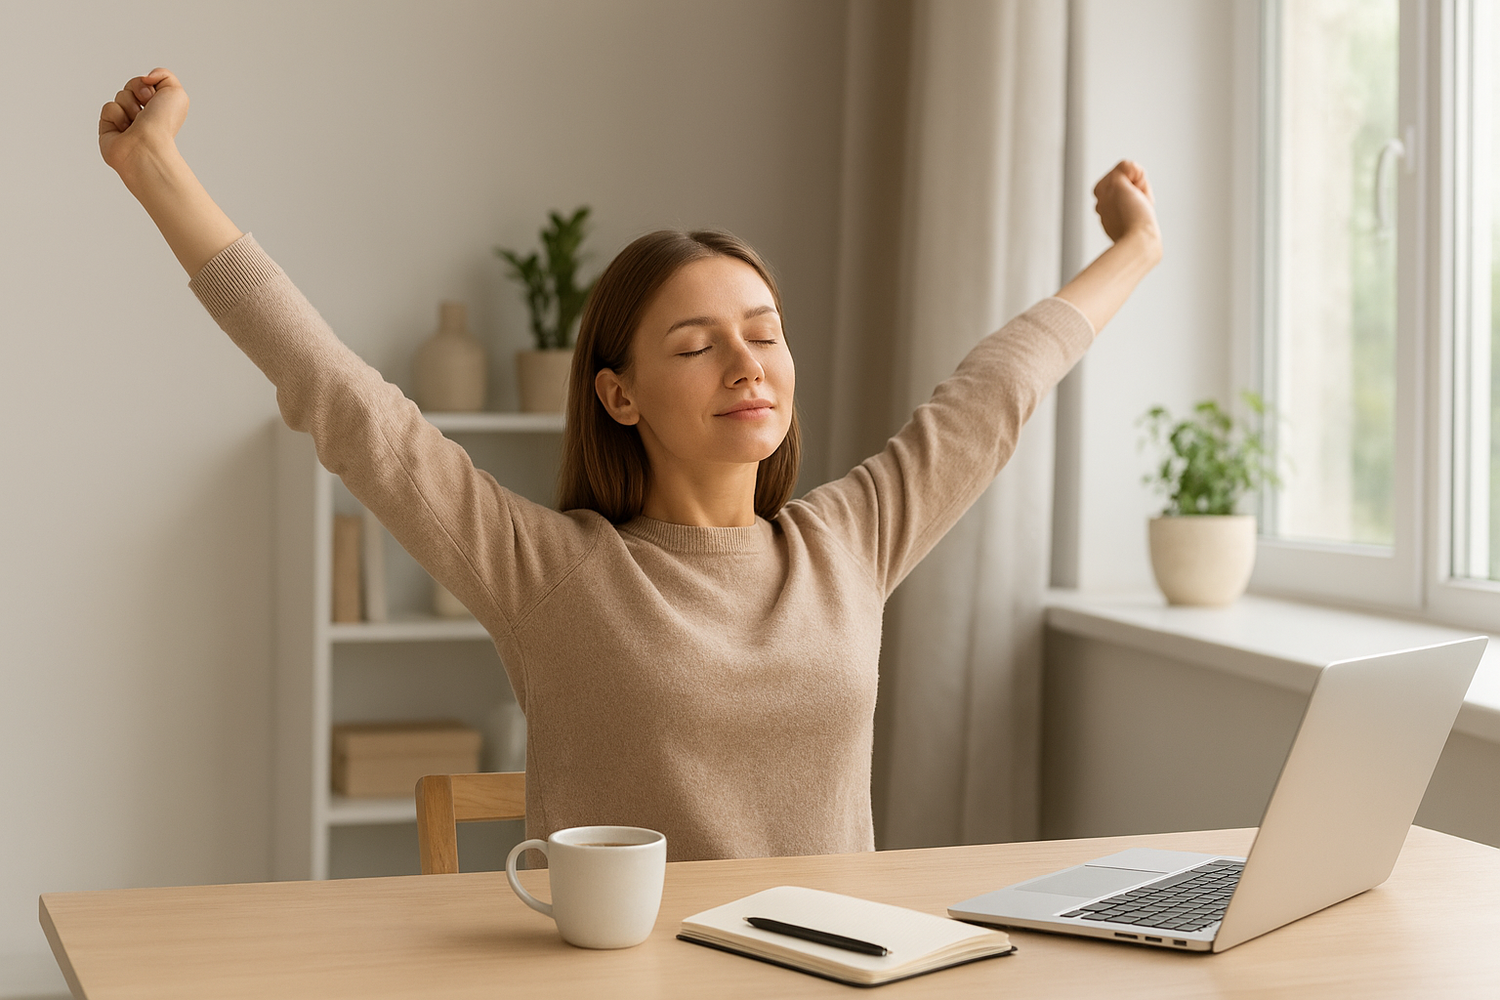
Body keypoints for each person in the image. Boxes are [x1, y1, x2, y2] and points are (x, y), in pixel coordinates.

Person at [99, 68, 1162, 863]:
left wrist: (1134, 251)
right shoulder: (554, 573)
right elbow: (344, 401)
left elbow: (997, 390)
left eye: (766, 331)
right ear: (618, 393)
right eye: (697, 345)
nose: (748, 363)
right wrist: (158, 172)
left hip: (835, 970)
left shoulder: (848, 539)